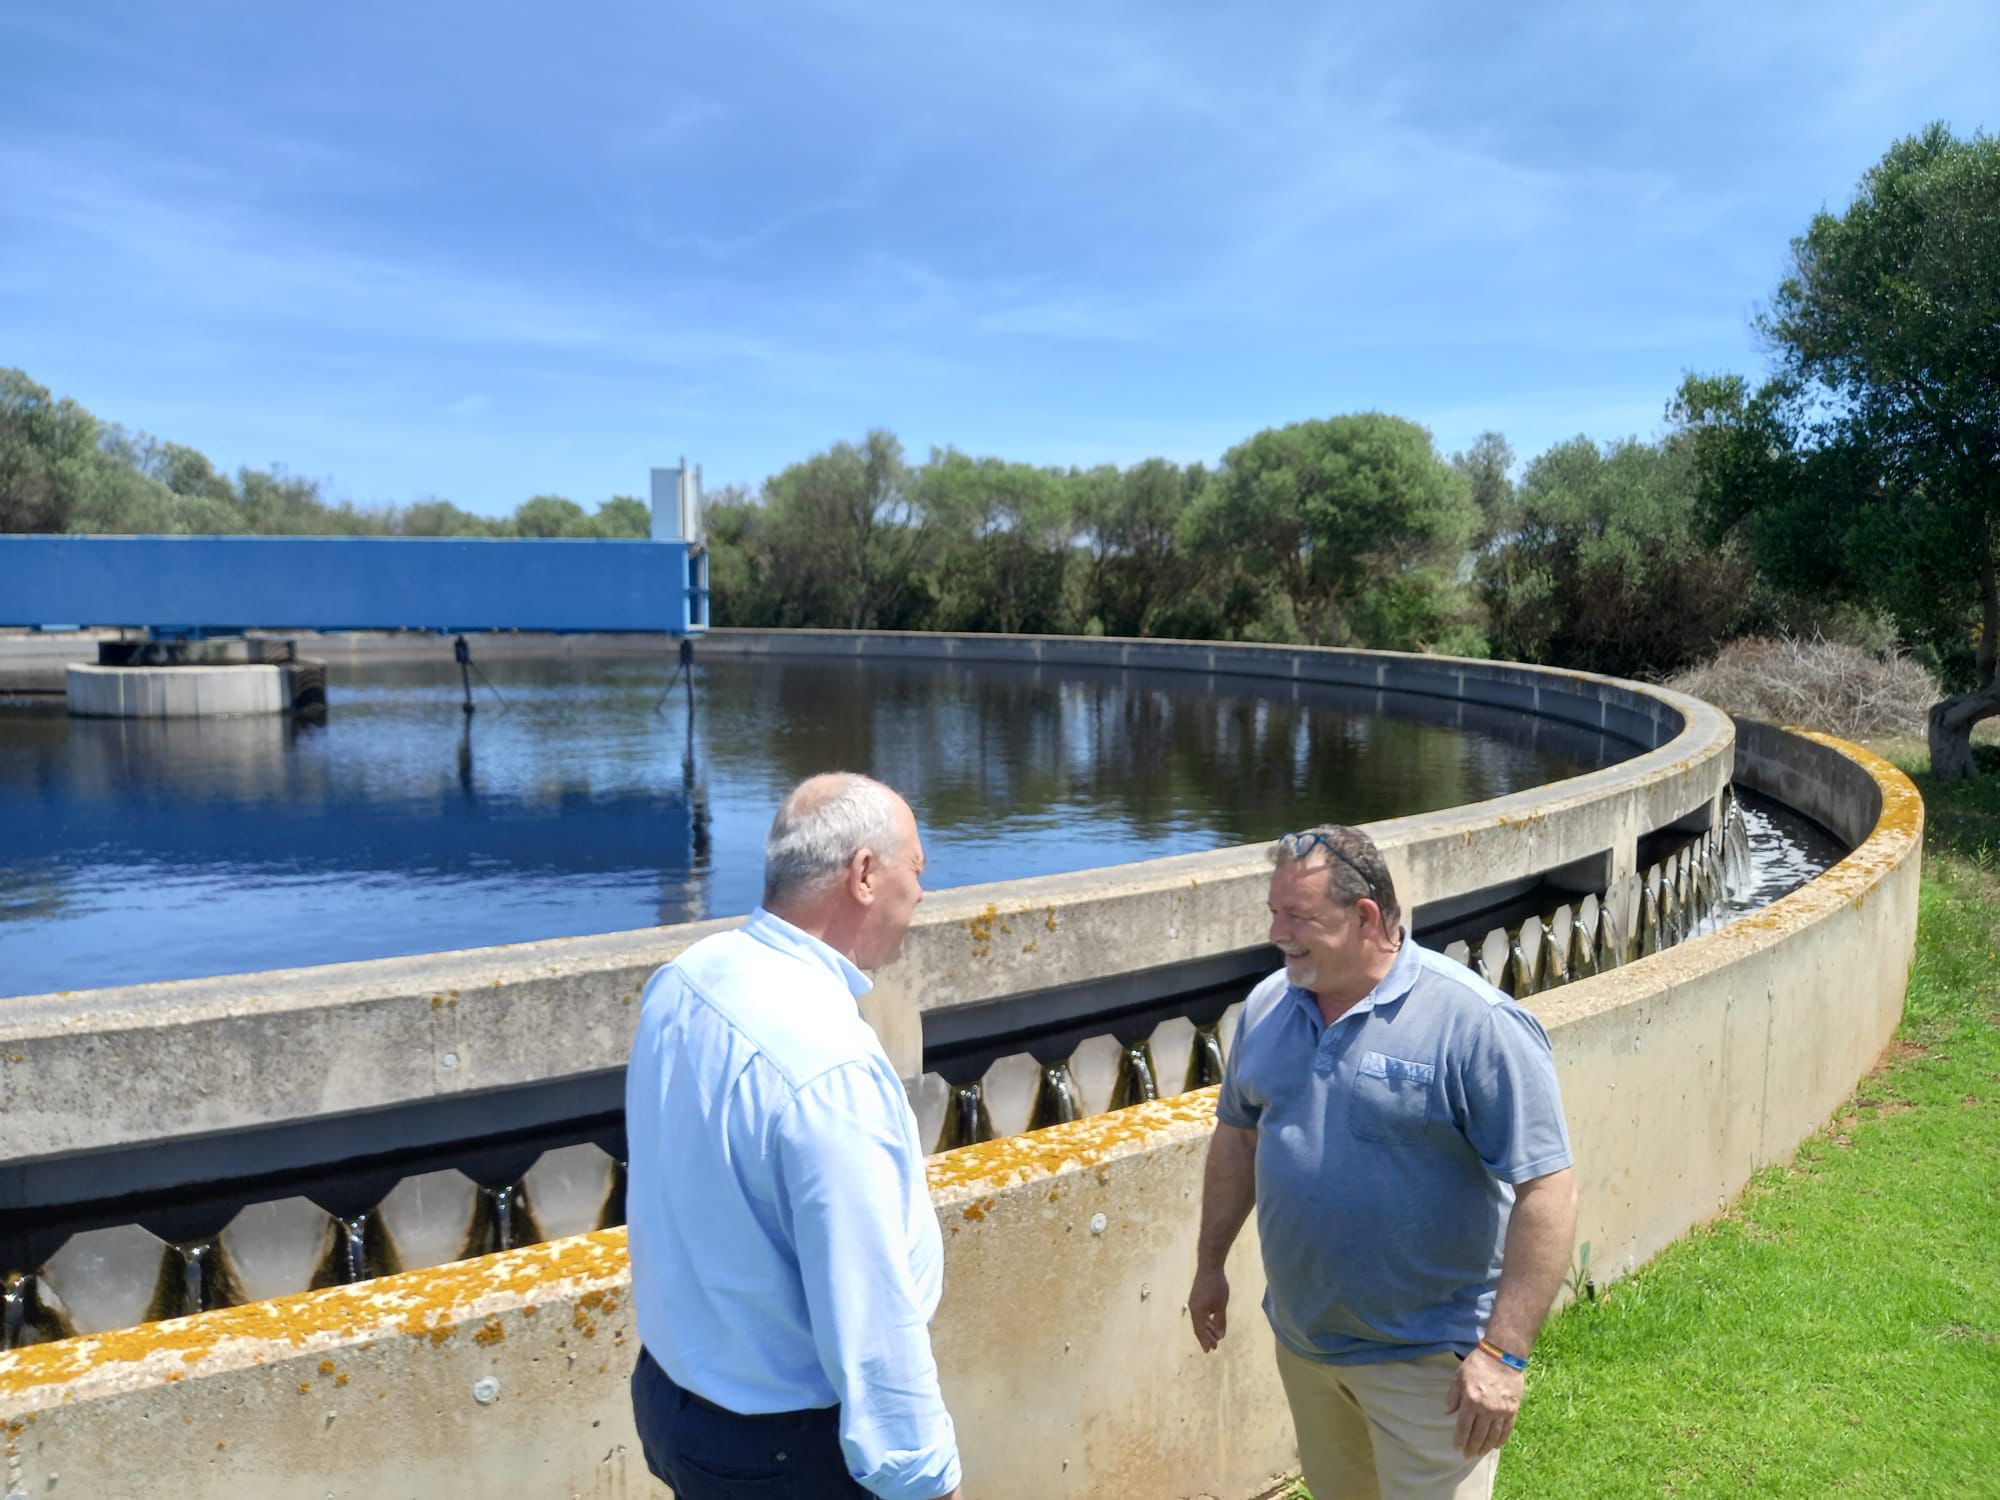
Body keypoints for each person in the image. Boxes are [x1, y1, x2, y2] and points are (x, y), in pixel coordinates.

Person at [1188, 825, 1577, 1500]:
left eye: (1298, 917)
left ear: (1364, 917)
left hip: (1430, 1368)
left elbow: (1547, 1185)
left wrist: (1503, 1353)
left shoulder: (1474, 1023)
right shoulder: (1267, 1006)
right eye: (1273, 912)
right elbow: (1239, 1141)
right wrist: (1209, 1265)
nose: (1277, 932)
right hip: (1308, 1351)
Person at [625, 772, 963, 1500]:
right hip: (785, 1452)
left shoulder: (684, 982)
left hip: (676, 1401)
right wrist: (925, 1479)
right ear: (865, 874)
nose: (924, 892)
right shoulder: (829, 1067)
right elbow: (867, 1310)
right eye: (918, 868)